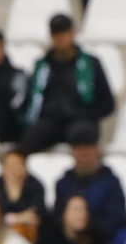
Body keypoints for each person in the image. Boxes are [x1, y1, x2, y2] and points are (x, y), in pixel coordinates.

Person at [16, 14, 116, 154]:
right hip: (49, 122)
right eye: (56, 34)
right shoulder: (42, 66)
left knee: (83, 138)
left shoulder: (91, 64)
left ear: (72, 33)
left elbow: (107, 103)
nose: (60, 38)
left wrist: (87, 114)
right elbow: (30, 101)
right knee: (25, 143)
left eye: (64, 32)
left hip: (80, 120)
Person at [53, 124, 126, 244]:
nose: (83, 153)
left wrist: (89, 224)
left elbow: (118, 220)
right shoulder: (63, 183)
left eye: (88, 148)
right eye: (78, 148)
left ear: (97, 150)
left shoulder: (111, 182)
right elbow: (57, 218)